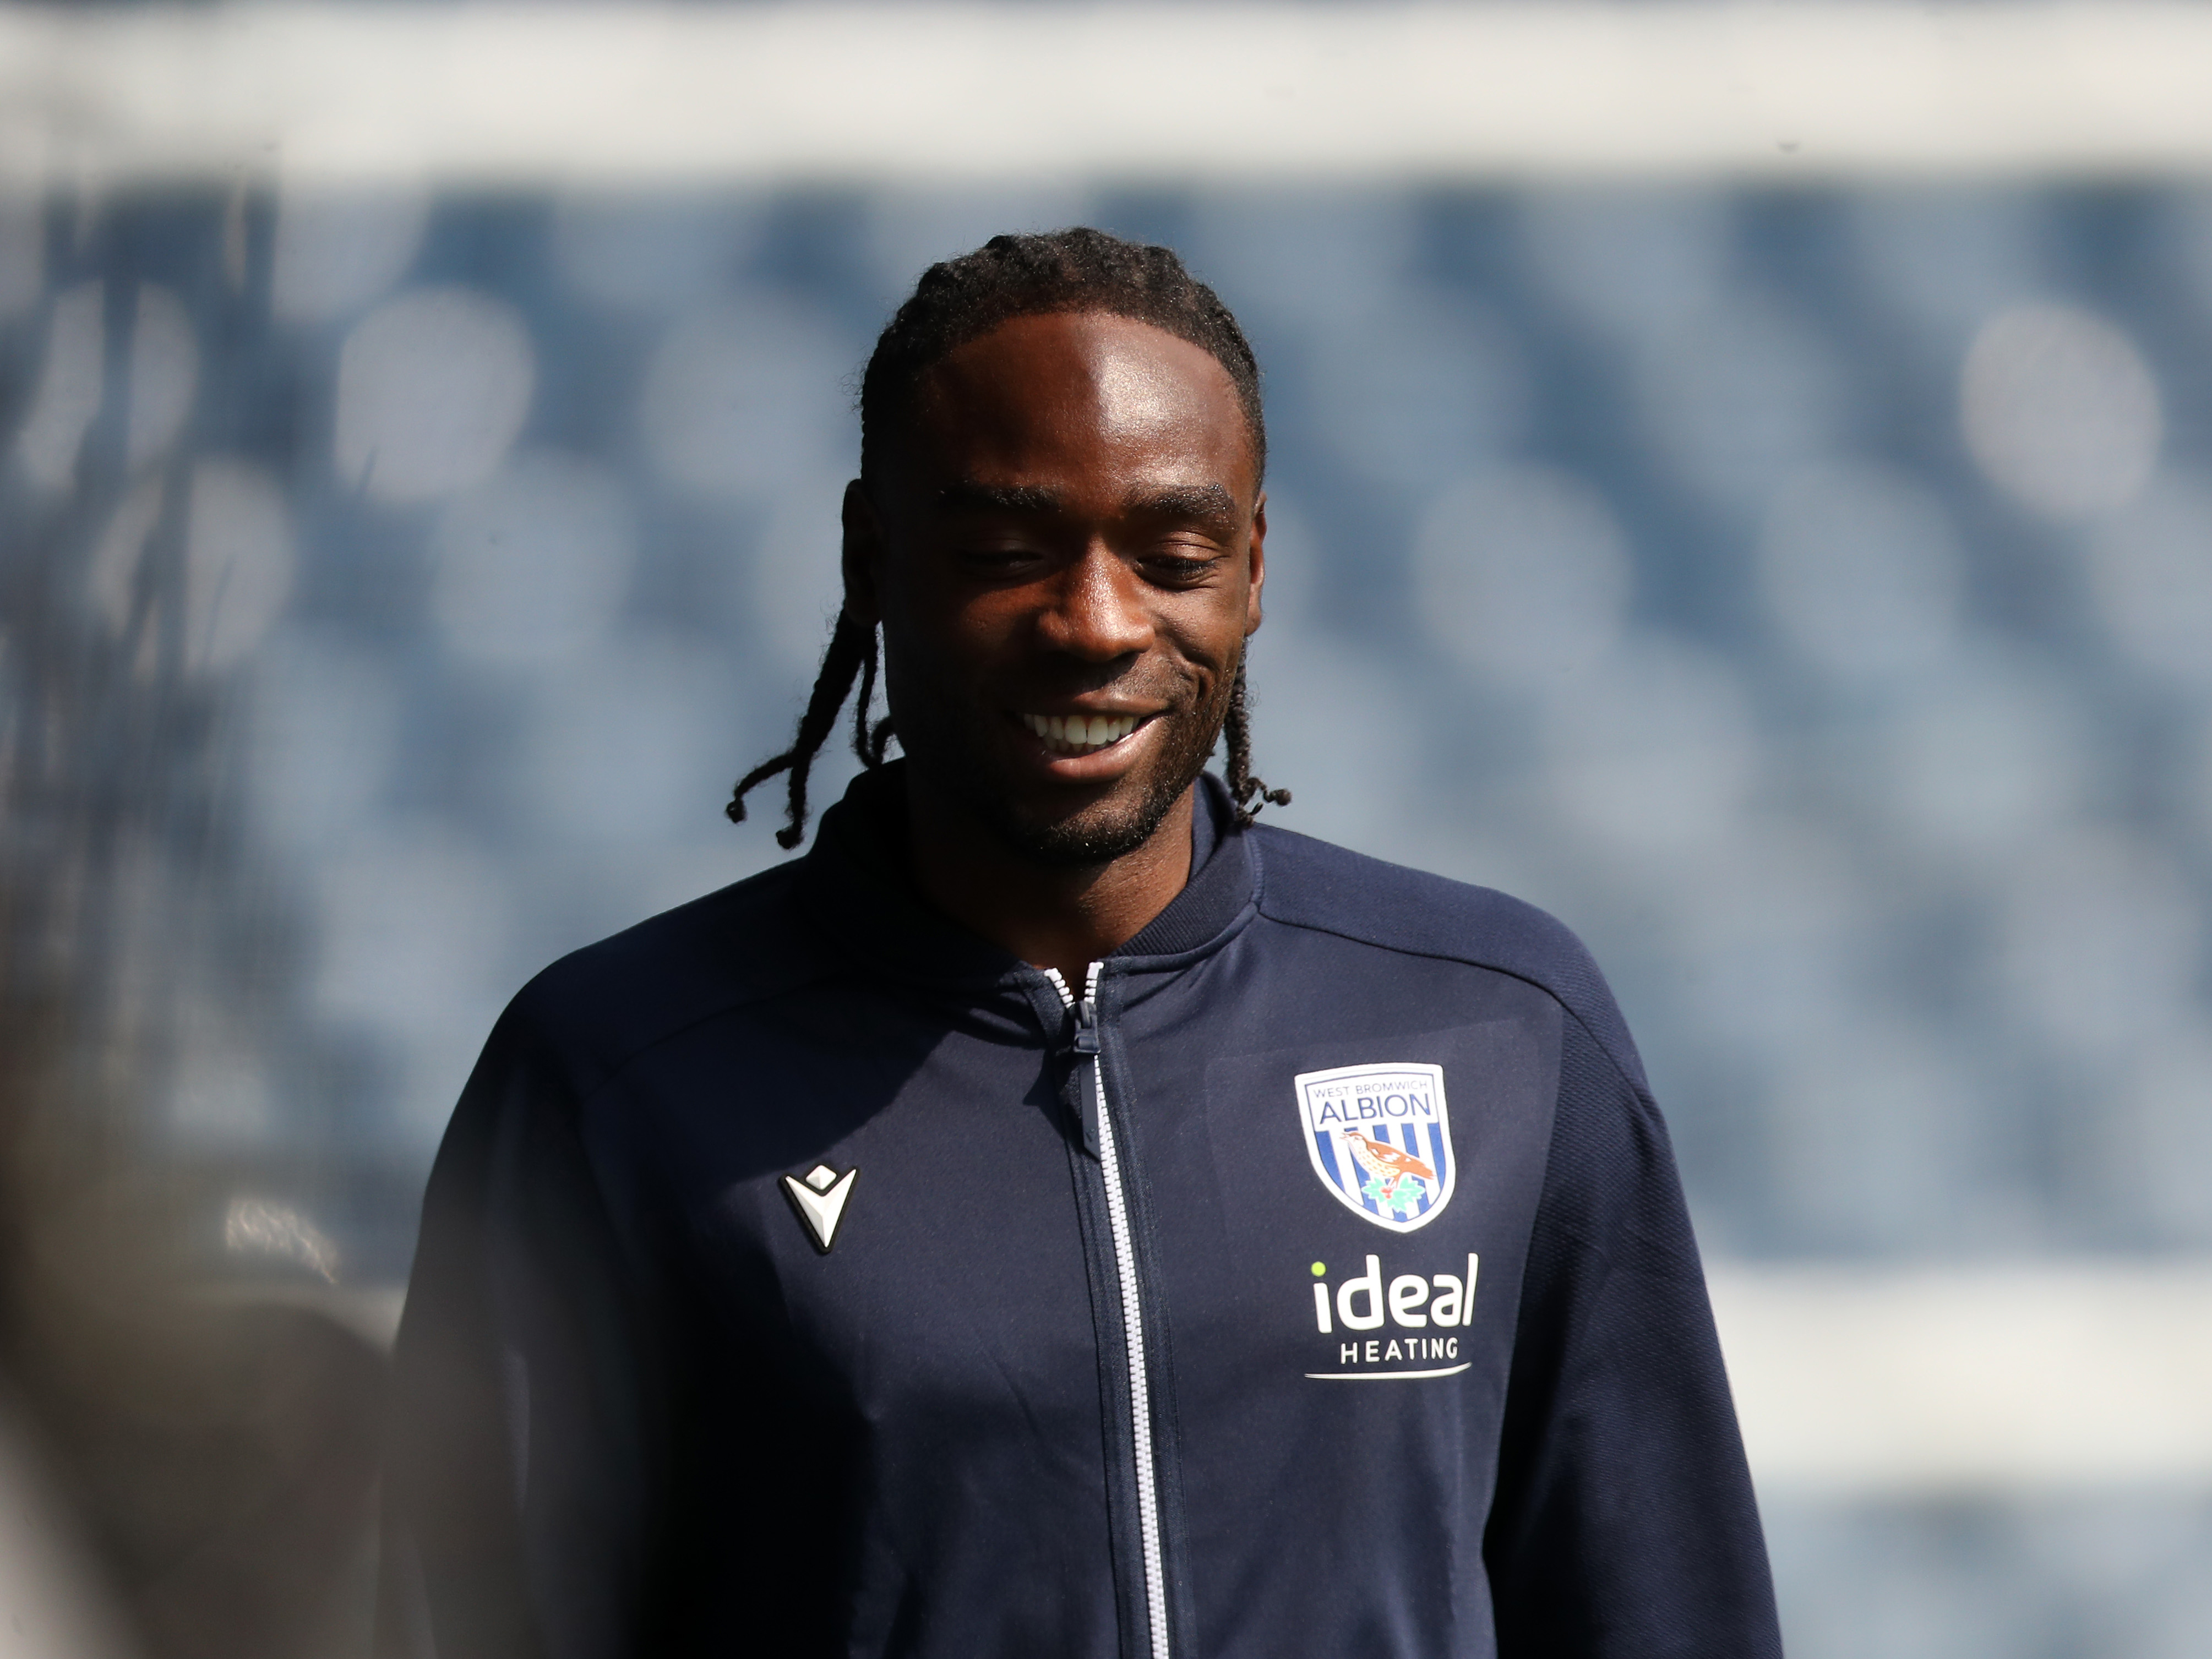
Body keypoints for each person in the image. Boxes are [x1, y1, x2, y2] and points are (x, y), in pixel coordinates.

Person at [380, 228, 1782, 1659]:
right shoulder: (615, 1078)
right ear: (870, 559)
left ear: (1249, 569)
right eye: (1005, 552)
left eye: (1170, 554)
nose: (1095, 623)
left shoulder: (1497, 1026)